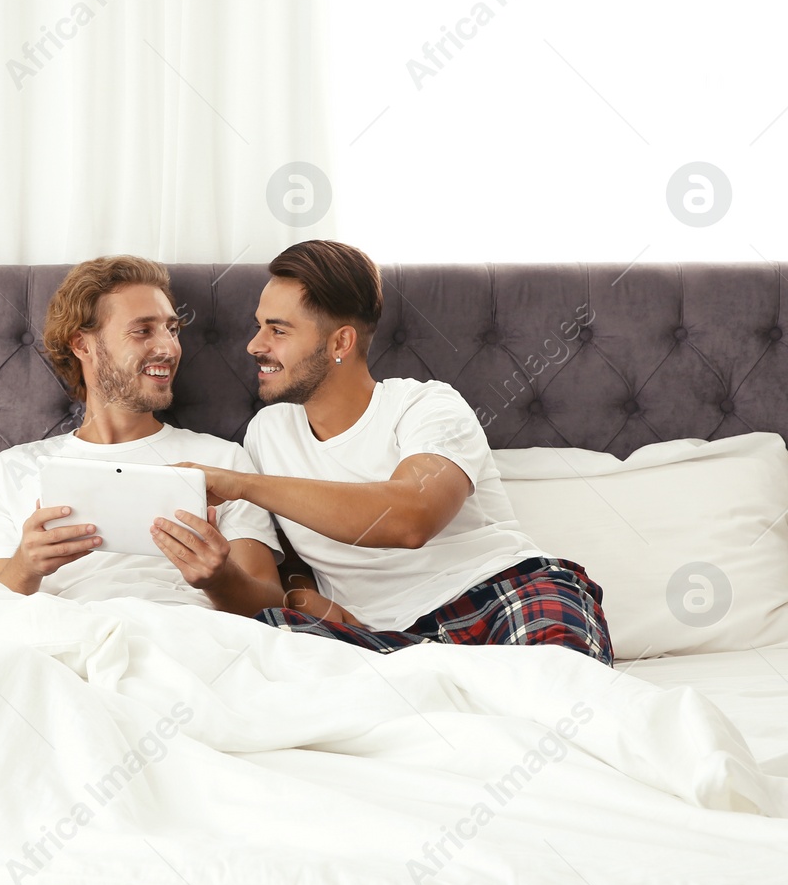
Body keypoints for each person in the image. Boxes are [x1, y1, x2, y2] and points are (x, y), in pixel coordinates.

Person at [176, 239, 614, 664]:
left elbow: (411, 519)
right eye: (259, 326)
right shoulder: (267, 433)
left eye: (278, 330)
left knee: (561, 685)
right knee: (267, 639)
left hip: (500, 595)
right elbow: (288, 555)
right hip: (383, 640)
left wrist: (242, 485)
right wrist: (299, 592)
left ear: (339, 343)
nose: (255, 345)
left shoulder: (427, 406)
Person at [0, 255, 285, 616]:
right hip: (65, 633)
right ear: (82, 345)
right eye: (143, 330)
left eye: (172, 329)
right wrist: (27, 565)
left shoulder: (222, 463)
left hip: (187, 632)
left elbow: (268, 607)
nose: (169, 348)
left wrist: (217, 577)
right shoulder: (15, 468)